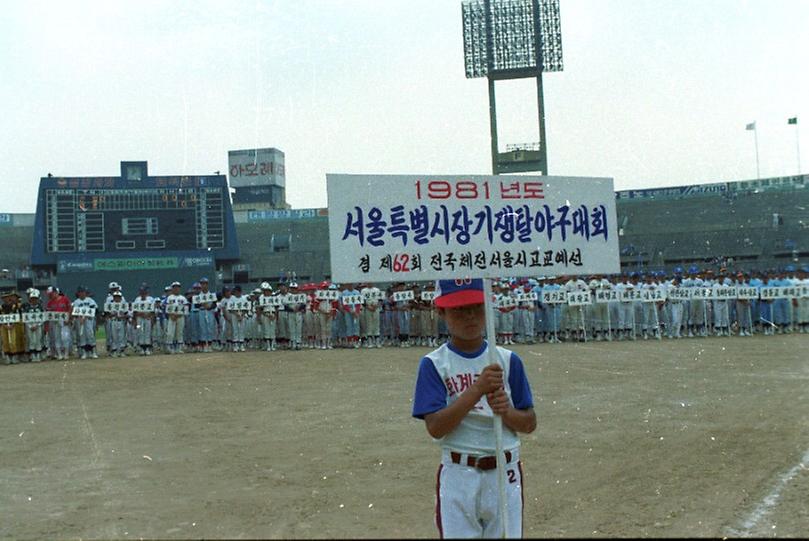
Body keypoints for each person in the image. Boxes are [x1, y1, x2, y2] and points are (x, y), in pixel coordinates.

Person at [411, 278, 536, 538]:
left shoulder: (507, 360)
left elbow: (529, 422)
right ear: (442, 312)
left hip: (504, 469)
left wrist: (506, 412)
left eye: (476, 307)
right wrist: (476, 390)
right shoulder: (434, 364)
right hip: (459, 470)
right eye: (458, 309)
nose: (469, 316)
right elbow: (436, 427)